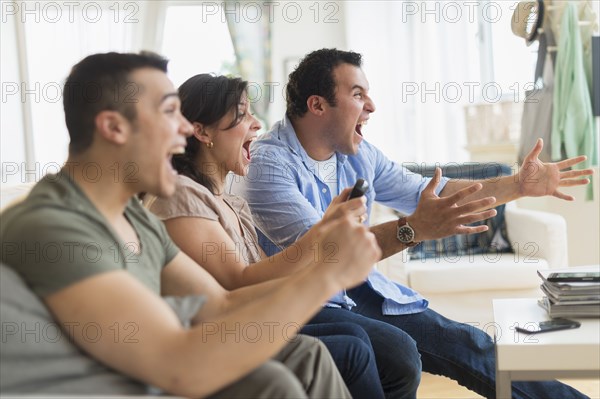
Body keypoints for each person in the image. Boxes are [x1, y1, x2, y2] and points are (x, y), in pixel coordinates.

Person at [0, 52, 382, 398]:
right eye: (169, 112)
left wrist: (324, 252)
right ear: (114, 127)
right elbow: (178, 367)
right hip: (127, 382)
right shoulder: (52, 227)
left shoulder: (133, 219)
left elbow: (221, 305)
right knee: (278, 381)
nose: (186, 130)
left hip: (153, 371)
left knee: (306, 356)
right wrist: (327, 276)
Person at [230, 48, 595, 399]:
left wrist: (517, 185)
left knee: (471, 344)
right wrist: (415, 228)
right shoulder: (269, 164)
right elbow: (328, 253)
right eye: (358, 94)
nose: (371, 106)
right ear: (317, 105)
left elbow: (430, 191)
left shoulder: (359, 152)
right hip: (309, 298)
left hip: (356, 288)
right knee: (404, 354)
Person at [144, 73, 387, 398]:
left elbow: (257, 281)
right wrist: (325, 241)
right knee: (353, 349)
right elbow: (239, 281)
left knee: (359, 339)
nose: (257, 125)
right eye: (242, 115)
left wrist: (325, 228)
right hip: (219, 334)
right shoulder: (181, 195)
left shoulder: (231, 203)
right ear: (202, 132)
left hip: (246, 319)